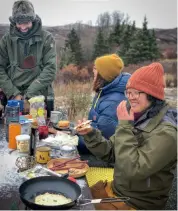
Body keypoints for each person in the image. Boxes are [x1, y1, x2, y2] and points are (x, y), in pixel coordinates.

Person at [76, 62, 177, 210]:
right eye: (129, 92)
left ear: (152, 95)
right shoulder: (138, 116)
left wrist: (124, 126)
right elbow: (111, 153)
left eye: (137, 92)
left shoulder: (167, 133)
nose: (131, 97)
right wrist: (91, 135)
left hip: (137, 203)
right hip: (117, 190)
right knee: (74, 197)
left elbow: (133, 170)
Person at [0, 0, 57, 115]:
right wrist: (14, 93)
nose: (23, 26)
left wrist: (30, 96)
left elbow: (50, 69)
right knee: (11, 131)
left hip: (40, 97)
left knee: (40, 130)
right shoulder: (6, 41)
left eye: (26, 22)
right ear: (14, 21)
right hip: (13, 99)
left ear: (33, 19)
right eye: (19, 23)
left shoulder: (46, 38)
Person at [77, 54, 131, 154]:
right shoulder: (104, 92)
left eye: (96, 69)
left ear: (104, 75)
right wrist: (72, 131)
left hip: (106, 159)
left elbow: (103, 143)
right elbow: (95, 126)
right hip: (94, 146)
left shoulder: (111, 102)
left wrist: (70, 140)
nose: (93, 70)